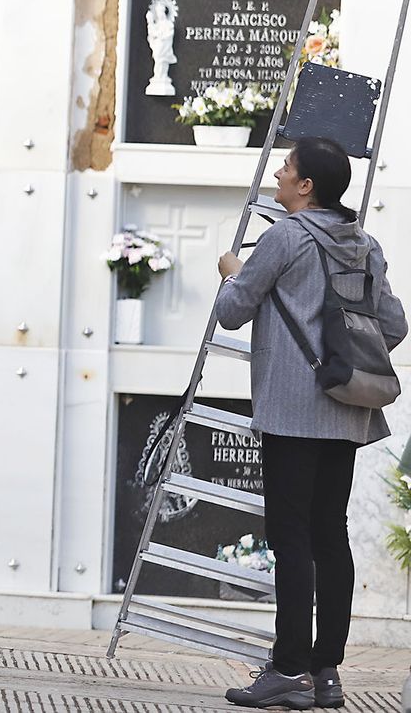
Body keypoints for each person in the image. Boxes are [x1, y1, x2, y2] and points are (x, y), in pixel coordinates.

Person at [214, 136, 406, 710]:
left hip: (291, 412)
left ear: (306, 186)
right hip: (346, 410)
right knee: (330, 535)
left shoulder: (285, 236)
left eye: (287, 168)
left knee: (292, 538)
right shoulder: (365, 244)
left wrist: (232, 271)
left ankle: (289, 668)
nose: (277, 172)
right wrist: (339, 357)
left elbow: (231, 312)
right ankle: (327, 673)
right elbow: (392, 325)